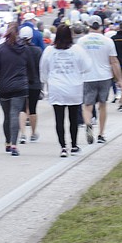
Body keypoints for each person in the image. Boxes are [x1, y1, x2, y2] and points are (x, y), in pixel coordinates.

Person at [39, 24, 90, 157]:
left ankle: (63, 147)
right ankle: (74, 145)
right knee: (73, 118)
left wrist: (46, 81)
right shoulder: (77, 50)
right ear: (70, 35)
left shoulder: (50, 51)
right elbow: (86, 67)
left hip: (56, 87)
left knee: (59, 119)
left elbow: (43, 69)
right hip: (74, 87)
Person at [0, 23, 35, 156]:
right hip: (20, 86)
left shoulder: (0, 49)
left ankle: (8, 142)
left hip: (4, 86)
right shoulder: (25, 49)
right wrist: (31, 81)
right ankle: (14, 145)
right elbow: (31, 68)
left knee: (7, 116)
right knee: (15, 113)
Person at [78, 15, 122, 145]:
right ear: (101, 25)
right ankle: (101, 134)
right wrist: (119, 79)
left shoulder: (81, 41)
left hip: (87, 76)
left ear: (89, 25)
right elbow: (114, 61)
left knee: (87, 106)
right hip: (104, 76)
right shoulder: (108, 41)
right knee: (102, 105)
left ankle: (88, 124)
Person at [18, 26, 43, 145]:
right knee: (33, 108)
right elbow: (41, 67)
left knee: (22, 108)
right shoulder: (38, 50)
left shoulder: (18, 50)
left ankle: (22, 133)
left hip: (21, 82)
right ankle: (33, 133)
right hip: (35, 82)